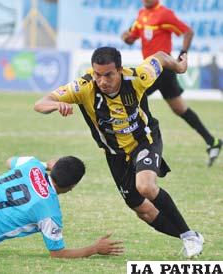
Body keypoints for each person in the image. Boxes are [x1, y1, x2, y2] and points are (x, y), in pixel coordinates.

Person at [34, 46, 203, 258]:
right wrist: (56, 106)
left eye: (108, 75)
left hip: (145, 140)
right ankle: (191, 236)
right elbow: (40, 103)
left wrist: (178, 67)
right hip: (115, 154)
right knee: (143, 210)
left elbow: (159, 57)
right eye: (98, 75)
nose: (102, 81)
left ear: (120, 70)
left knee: (146, 186)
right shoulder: (83, 87)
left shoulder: (139, 76)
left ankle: (188, 236)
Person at [121, 0, 221, 167]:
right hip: (151, 70)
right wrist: (126, 37)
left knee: (133, 98)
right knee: (179, 108)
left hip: (162, 69)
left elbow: (188, 32)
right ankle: (213, 141)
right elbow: (132, 38)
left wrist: (183, 54)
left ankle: (143, 146)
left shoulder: (164, 13)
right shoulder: (141, 15)